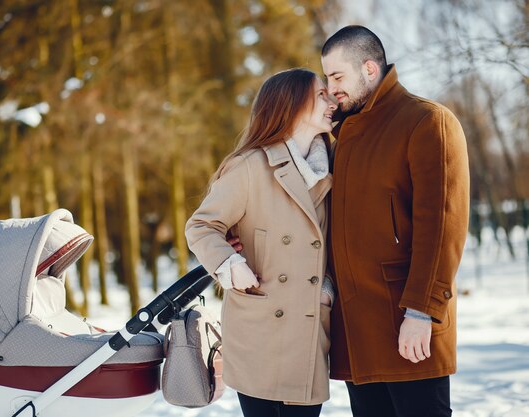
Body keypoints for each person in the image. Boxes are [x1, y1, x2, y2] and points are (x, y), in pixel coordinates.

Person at [320, 26, 470, 417]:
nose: (330, 87)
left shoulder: (425, 121)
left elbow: (442, 227)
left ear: (369, 68)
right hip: (357, 333)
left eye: (338, 77)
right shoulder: (341, 136)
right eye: (327, 78)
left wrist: (422, 311)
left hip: (408, 326)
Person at [185, 68, 337, 417]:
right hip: (261, 330)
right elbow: (201, 225)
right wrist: (230, 265)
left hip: (308, 328)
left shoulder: (329, 169)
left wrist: (326, 287)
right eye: (321, 95)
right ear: (292, 104)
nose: (332, 103)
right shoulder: (250, 166)